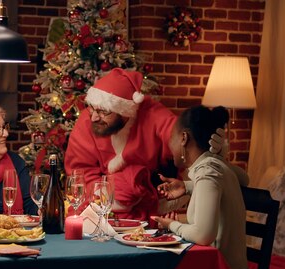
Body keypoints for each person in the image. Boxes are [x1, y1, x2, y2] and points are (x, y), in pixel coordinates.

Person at [65, 68, 231, 220]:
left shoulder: (151, 113)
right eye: (92, 108)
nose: (94, 117)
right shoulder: (86, 123)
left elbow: (181, 137)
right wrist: (110, 195)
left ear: (125, 111)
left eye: (103, 111)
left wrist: (208, 144)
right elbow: (80, 175)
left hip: (151, 200)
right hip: (103, 205)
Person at [151, 105, 251, 269]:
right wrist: (186, 185)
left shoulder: (208, 173)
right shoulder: (213, 167)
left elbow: (204, 235)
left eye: (171, 137)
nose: (169, 144)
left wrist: (172, 225)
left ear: (184, 138)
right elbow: (241, 178)